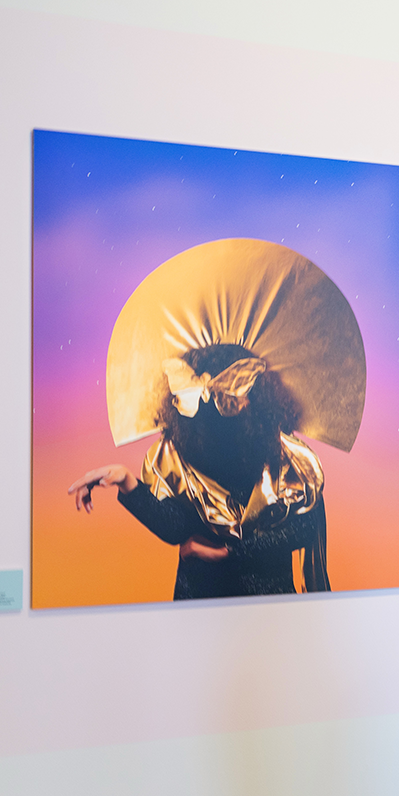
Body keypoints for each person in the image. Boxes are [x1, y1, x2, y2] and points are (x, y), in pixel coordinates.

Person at [67, 239, 365, 599]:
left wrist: (227, 552)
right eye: (209, 395)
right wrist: (127, 482)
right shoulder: (175, 453)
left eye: (232, 392)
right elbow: (176, 528)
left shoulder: (288, 456)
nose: (217, 403)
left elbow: (301, 529)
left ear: (256, 393)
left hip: (269, 603)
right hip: (200, 601)